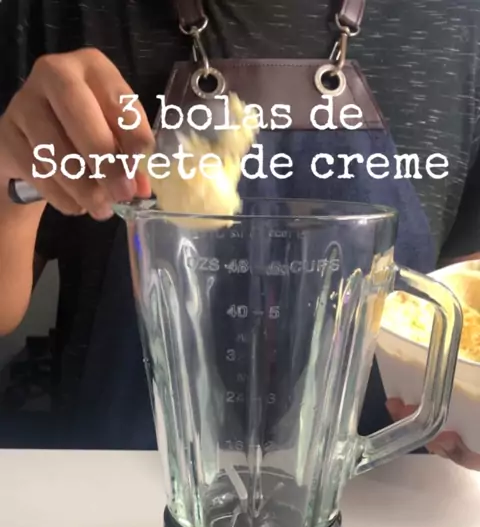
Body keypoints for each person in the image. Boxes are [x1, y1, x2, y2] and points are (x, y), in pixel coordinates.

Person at [0, 0, 478, 469]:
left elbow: (468, 306)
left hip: (393, 490)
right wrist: (7, 169)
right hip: (108, 483)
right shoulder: (57, 12)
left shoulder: (462, 24)